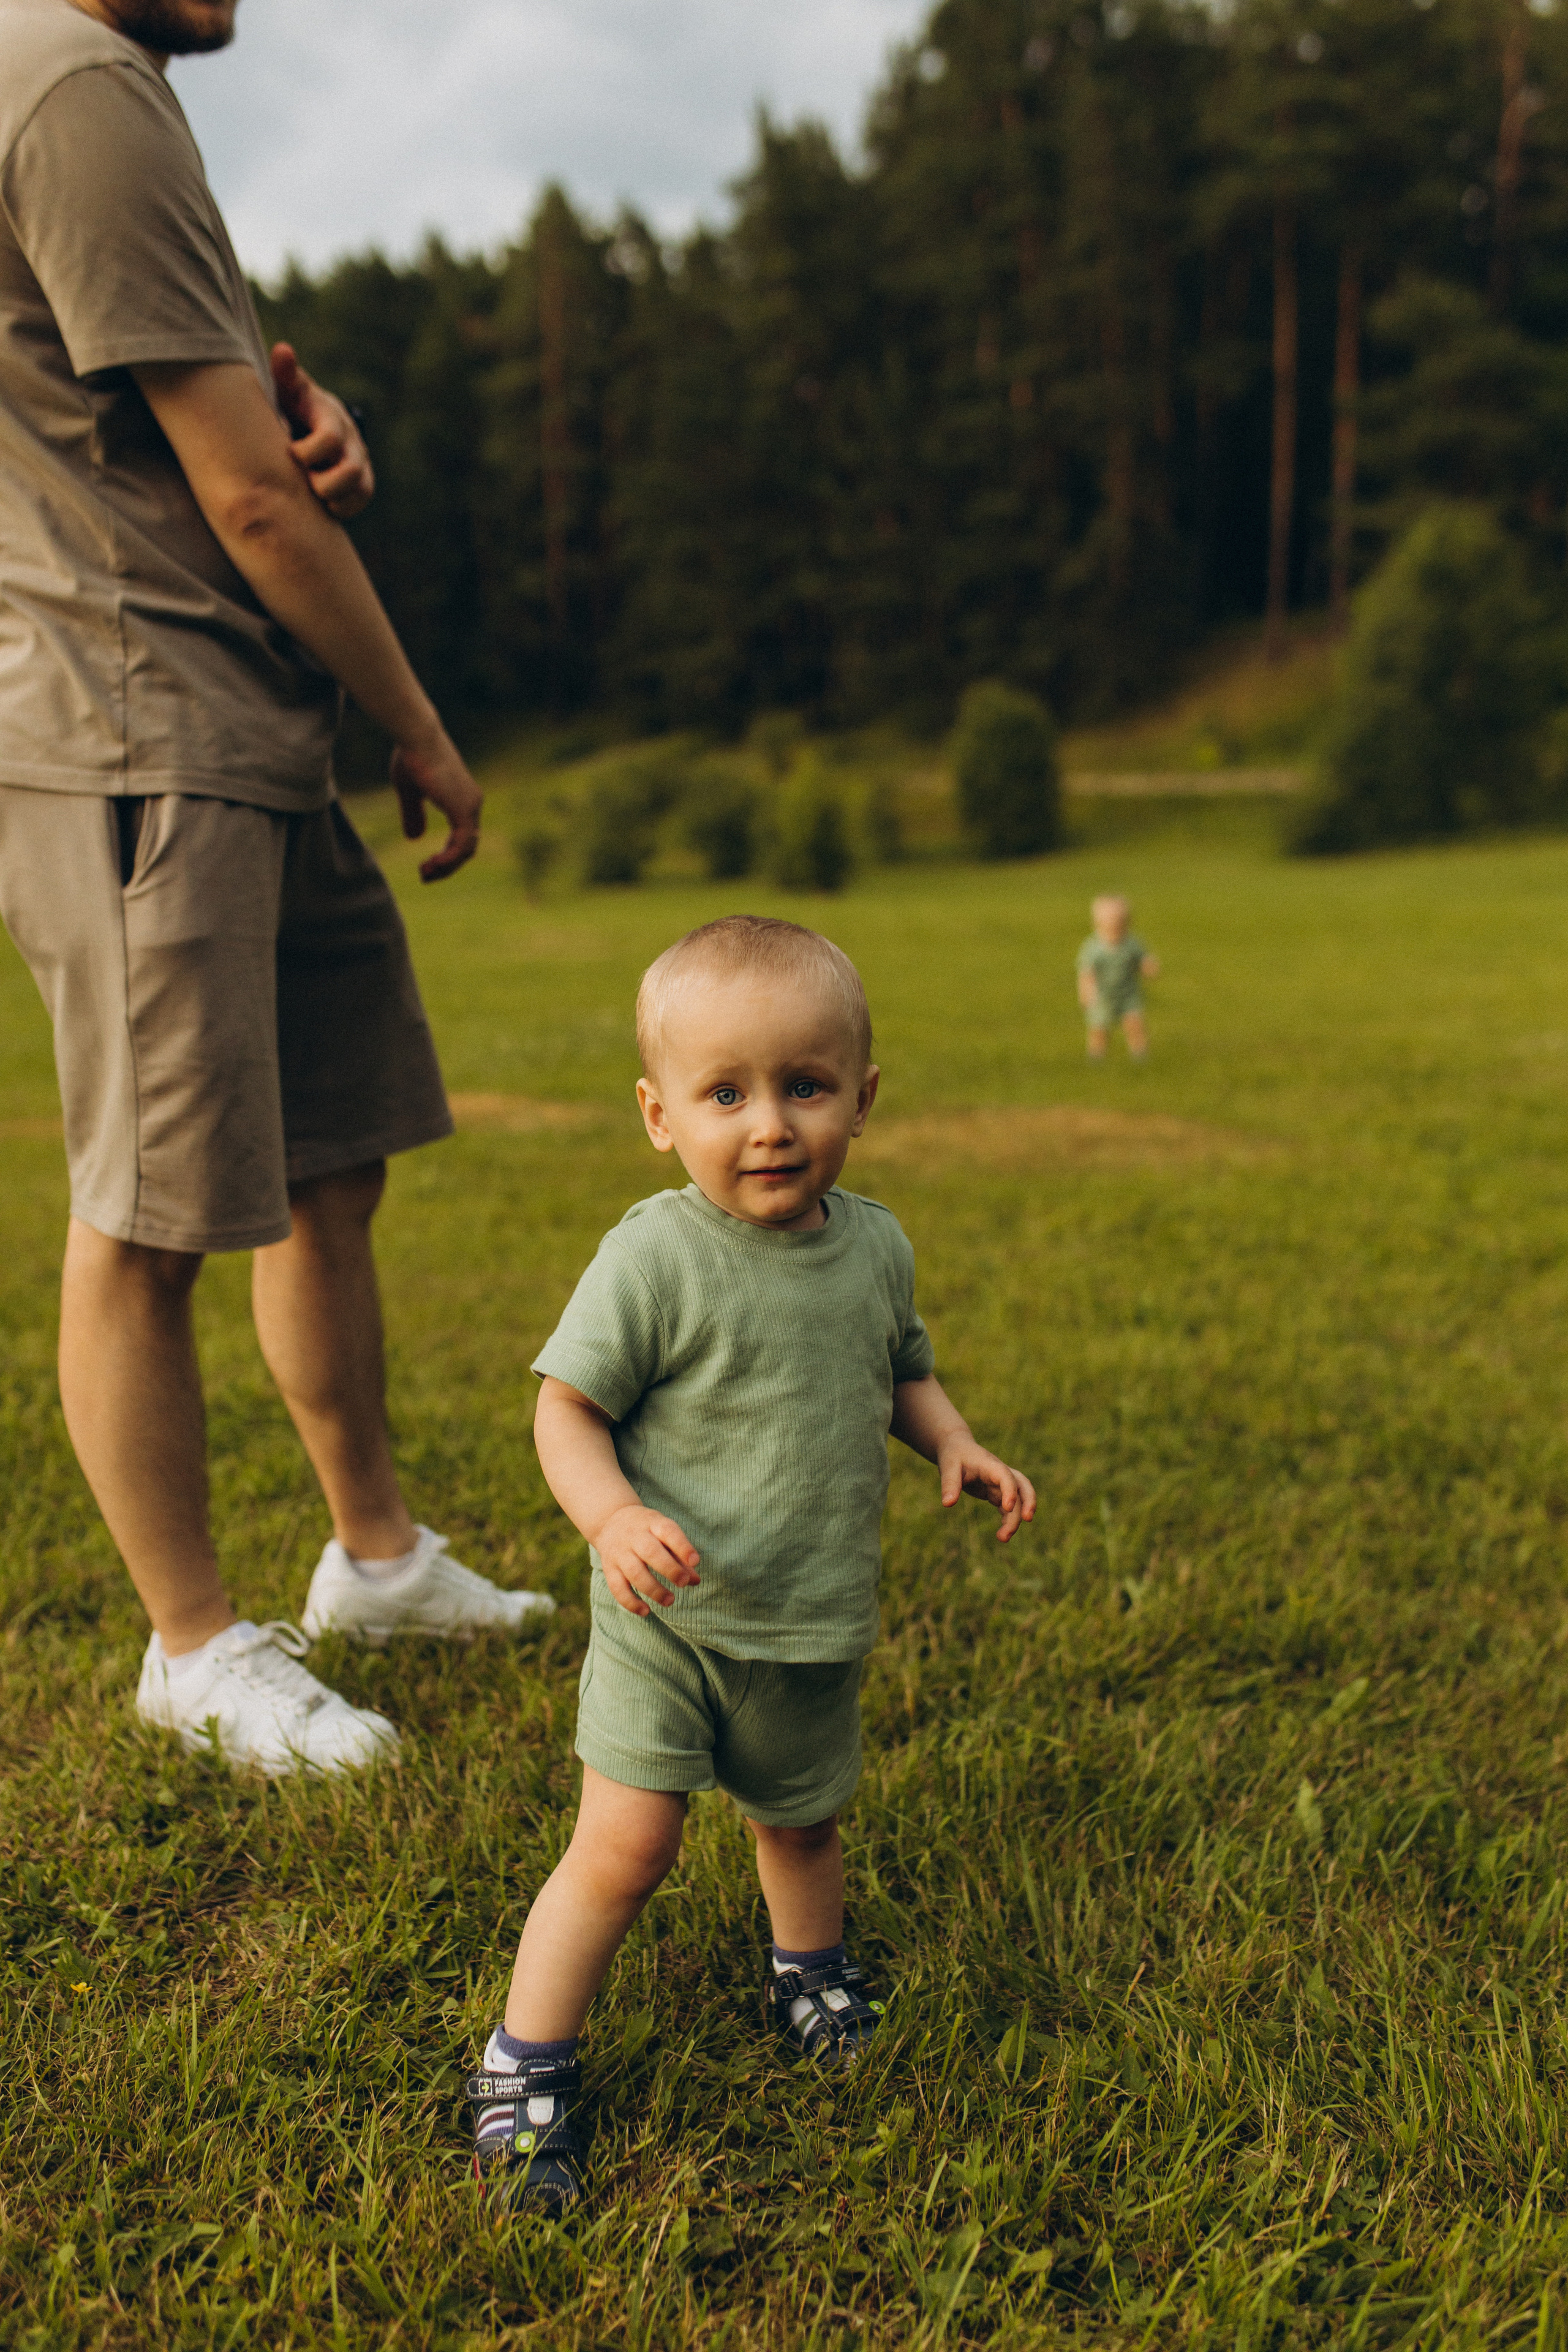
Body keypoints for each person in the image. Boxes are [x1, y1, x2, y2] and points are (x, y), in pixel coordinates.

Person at [0, 0, 553, 1779]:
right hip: (140, 724)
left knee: (332, 1158)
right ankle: (193, 1646)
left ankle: (373, 1555)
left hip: (236, 716)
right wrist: (422, 725)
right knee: (150, 1212)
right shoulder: (72, 83)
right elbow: (248, 502)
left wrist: (320, 431)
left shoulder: (105, 87)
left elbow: (229, 442)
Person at [462, 916, 1036, 2212]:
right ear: (659, 1115)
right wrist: (610, 1520)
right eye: (725, 1094)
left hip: (808, 1617)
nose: (768, 1123)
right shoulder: (655, 1256)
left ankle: (808, 1971)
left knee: (801, 1822)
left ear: (863, 1097)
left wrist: (952, 1442)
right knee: (624, 1847)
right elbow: (565, 1408)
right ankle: (521, 2061)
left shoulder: (872, 1246)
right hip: (668, 1621)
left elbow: (898, 1367)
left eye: (803, 1086)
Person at [1076, 894, 1160, 1063]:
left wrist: (1149, 967)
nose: (1116, 931)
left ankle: (1140, 1055)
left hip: (1128, 995)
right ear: (1097, 925)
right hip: (1102, 997)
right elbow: (1086, 973)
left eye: (1121, 926)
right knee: (1099, 1029)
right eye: (1110, 926)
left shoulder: (1131, 943)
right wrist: (1086, 992)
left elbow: (1142, 959)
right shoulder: (1093, 948)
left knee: (1135, 1024)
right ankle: (1097, 1056)